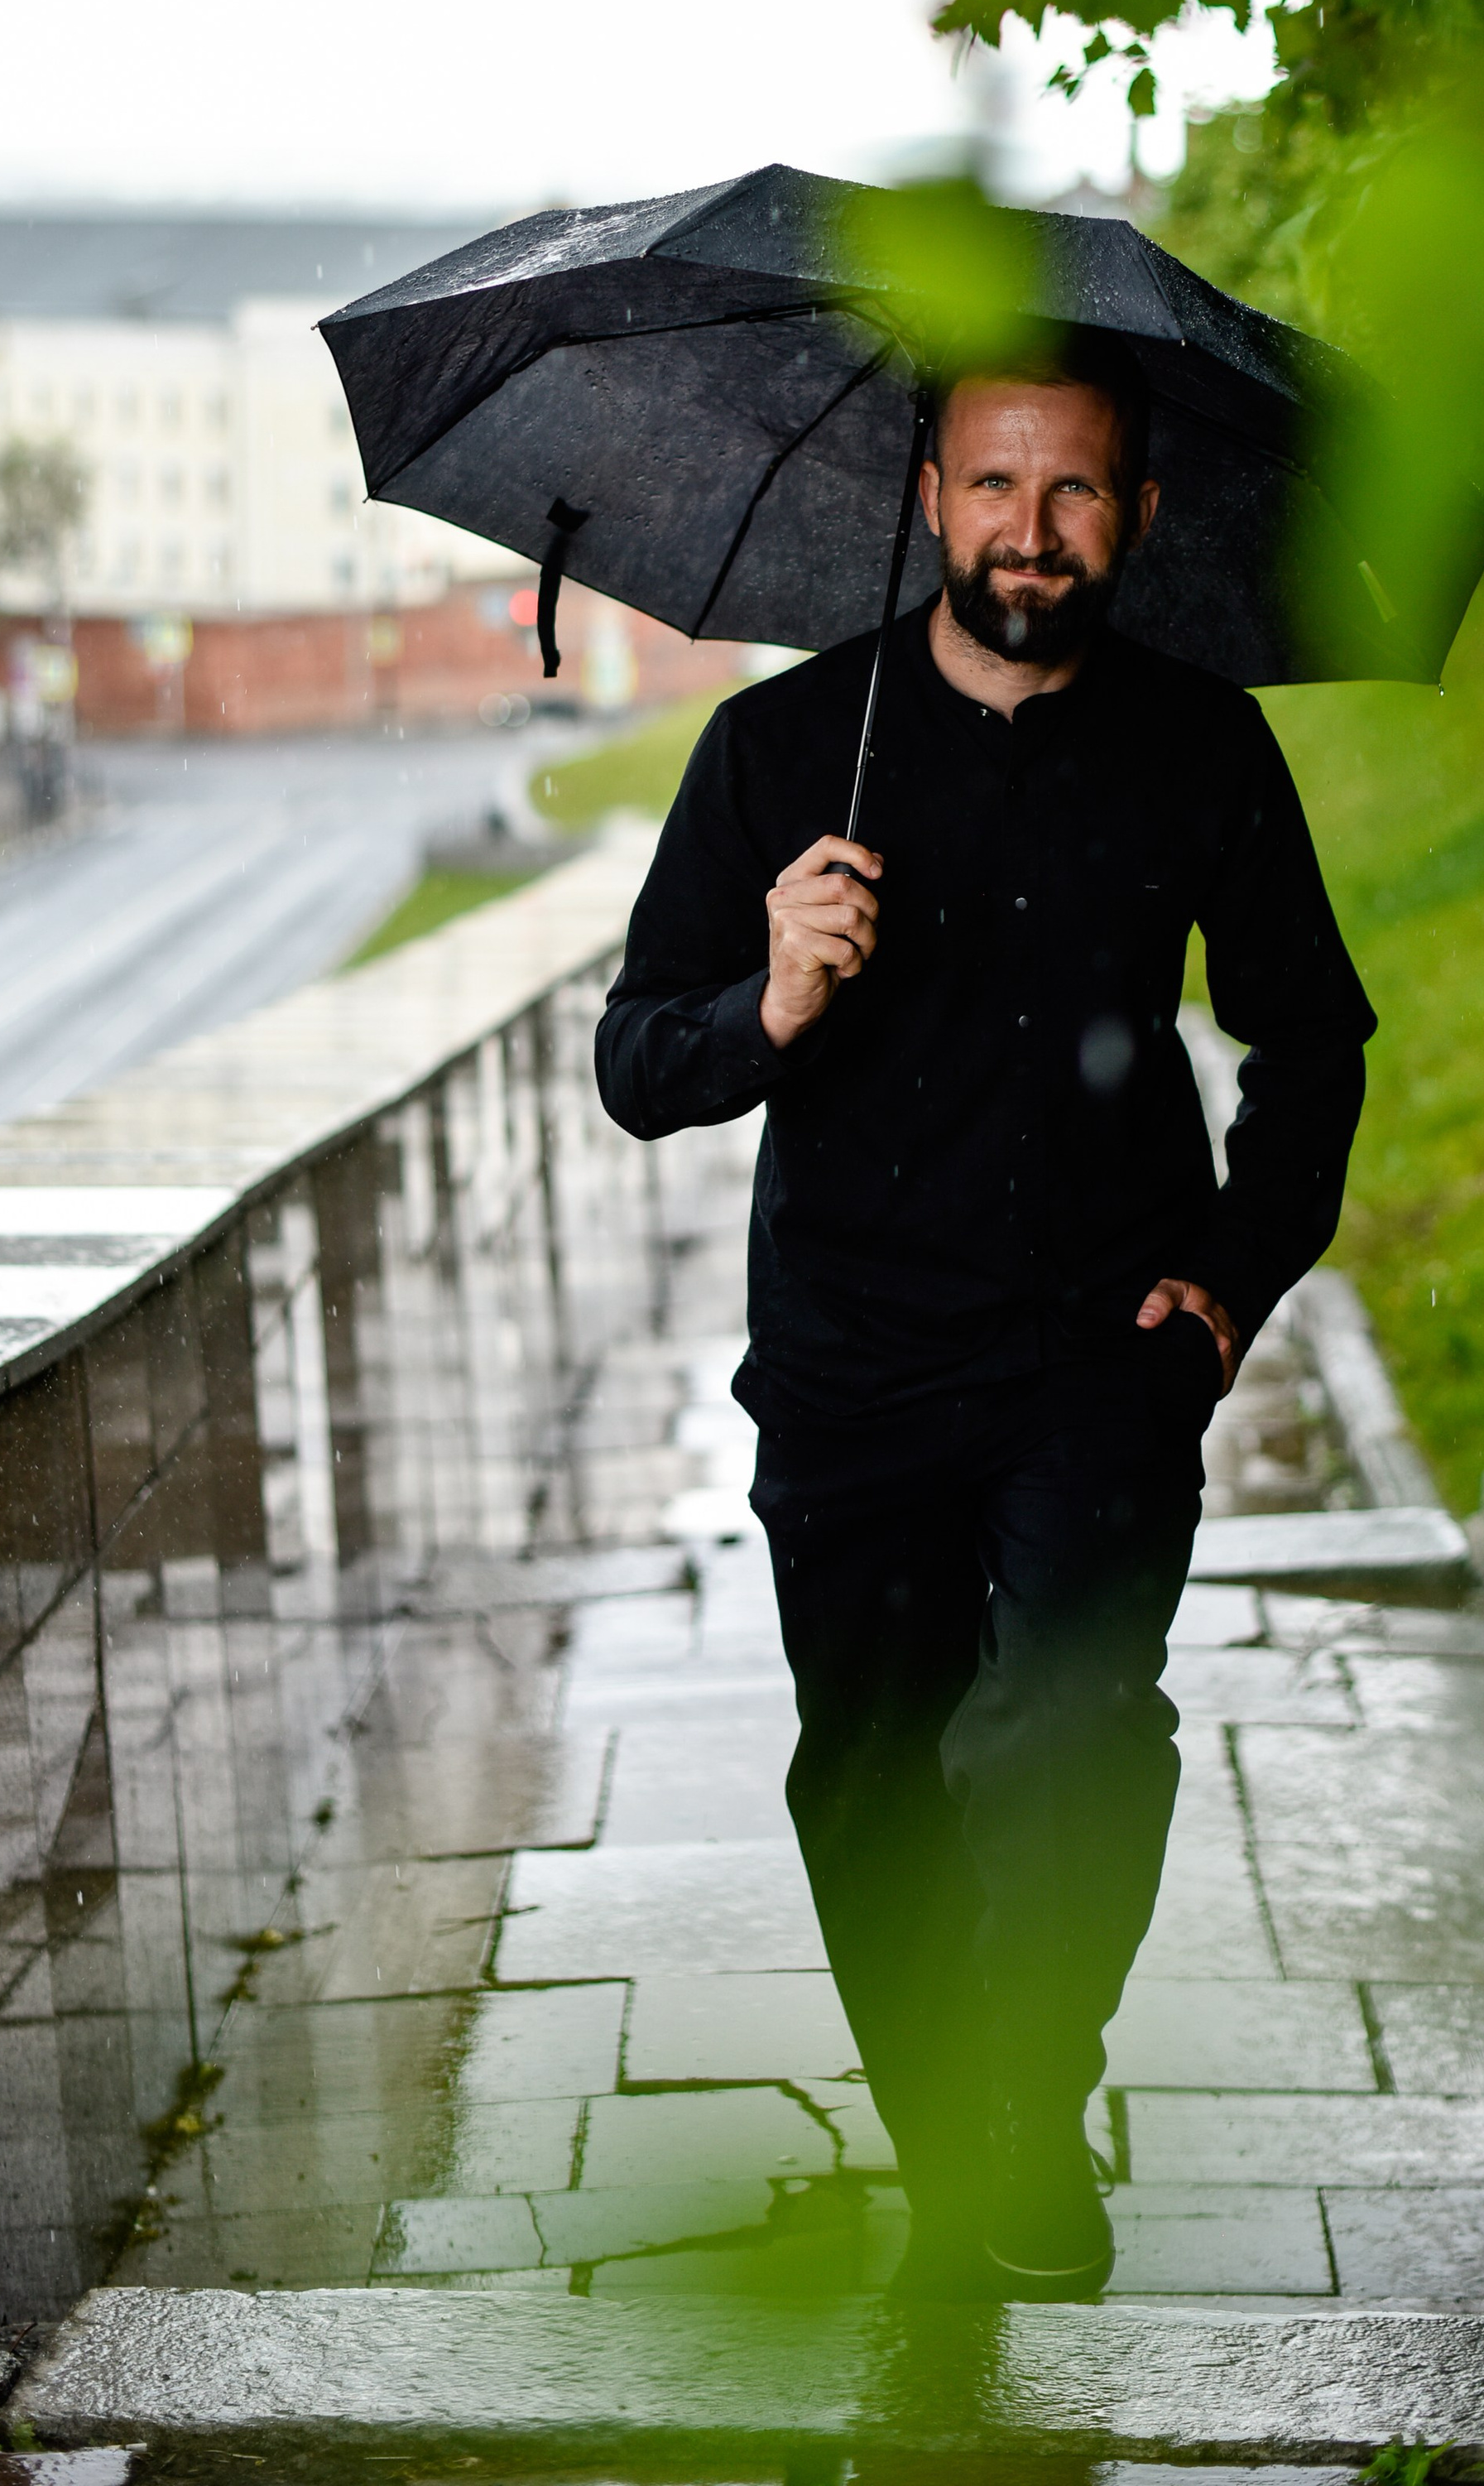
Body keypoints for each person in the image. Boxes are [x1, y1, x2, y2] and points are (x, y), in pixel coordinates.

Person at [594, 344, 1375, 2301]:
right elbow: (634, 1063)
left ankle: (1029, 2096)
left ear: (1140, 516)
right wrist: (767, 1000)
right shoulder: (781, 750)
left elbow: (1310, 1037)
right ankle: (952, 2133)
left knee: (1070, 1739)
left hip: (1101, 1359)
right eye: (994, 487)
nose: (1031, 533)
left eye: (1077, 494)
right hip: (852, 1365)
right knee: (869, 1770)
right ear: (927, 493)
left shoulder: (1203, 744)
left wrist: (1236, 1262)